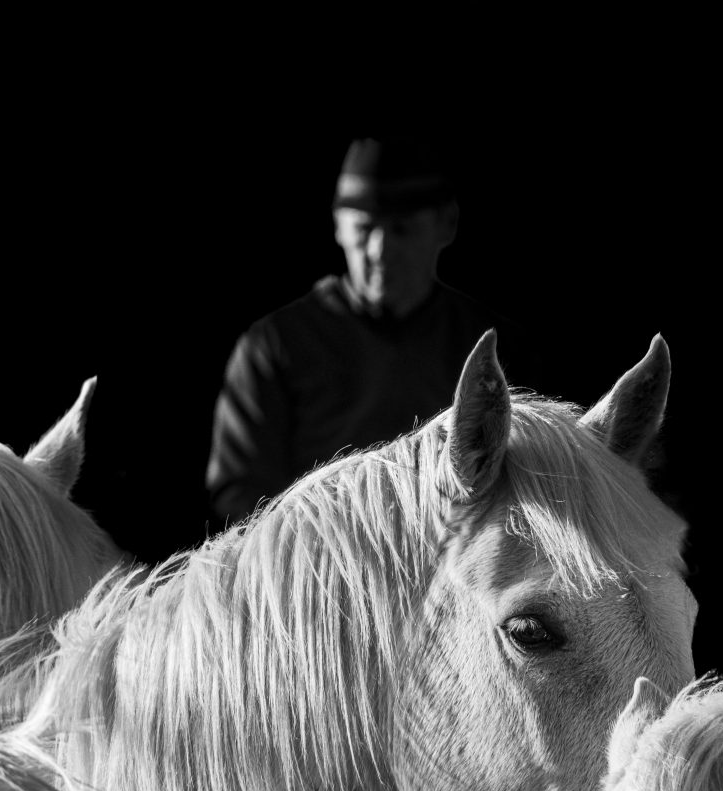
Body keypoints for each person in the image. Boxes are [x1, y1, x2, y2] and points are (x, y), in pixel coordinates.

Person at [205, 136, 544, 527]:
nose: (380, 250)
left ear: (447, 225)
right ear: (338, 227)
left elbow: (530, 479)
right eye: (365, 229)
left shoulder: (497, 348)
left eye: (402, 229)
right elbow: (240, 491)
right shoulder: (275, 346)